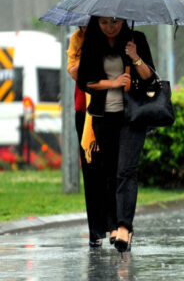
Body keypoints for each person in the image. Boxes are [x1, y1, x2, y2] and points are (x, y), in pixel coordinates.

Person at [77, 16, 155, 253]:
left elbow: (150, 78)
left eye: (115, 22)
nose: (110, 27)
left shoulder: (136, 39)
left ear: (123, 21)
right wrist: (112, 83)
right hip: (104, 118)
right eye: (103, 23)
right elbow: (84, 81)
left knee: (127, 171)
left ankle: (124, 228)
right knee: (109, 172)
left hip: (132, 117)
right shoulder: (92, 43)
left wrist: (135, 57)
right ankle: (112, 224)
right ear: (96, 24)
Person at [67, 26, 109, 247]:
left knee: (109, 169)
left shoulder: (113, 36)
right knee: (90, 170)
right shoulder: (78, 39)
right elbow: (74, 72)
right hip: (84, 111)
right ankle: (96, 231)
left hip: (111, 109)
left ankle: (115, 225)